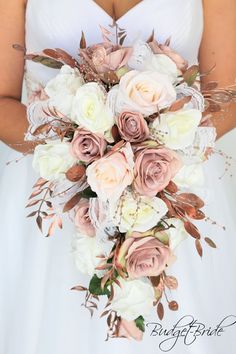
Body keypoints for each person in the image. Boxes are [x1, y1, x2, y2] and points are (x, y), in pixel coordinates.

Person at [0, 1, 235, 353]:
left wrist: (154, 150)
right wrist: (82, 148)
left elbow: (227, 97)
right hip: (56, 201)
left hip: (170, 188)